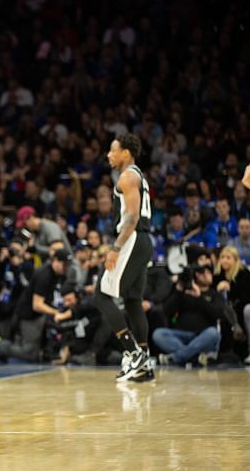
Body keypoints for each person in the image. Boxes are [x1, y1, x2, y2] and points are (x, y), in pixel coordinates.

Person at [94, 135, 155, 382]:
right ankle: (144, 363)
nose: (109, 154)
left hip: (132, 239)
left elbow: (131, 217)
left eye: (113, 150)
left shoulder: (127, 176)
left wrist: (115, 248)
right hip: (143, 241)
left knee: (101, 295)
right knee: (132, 301)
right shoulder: (138, 175)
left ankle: (133, 352)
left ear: (126, 153)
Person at [153, 264, 224, 366]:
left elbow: (217, 314)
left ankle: (176, 358)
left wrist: (199, 298)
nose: (207, 275)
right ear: (196, 275)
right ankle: (194, 357)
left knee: (213, 334)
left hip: (202, 336)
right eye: (203, 273)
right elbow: (167, 311)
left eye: (209, 273)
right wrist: (179, 289)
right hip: (180, 335)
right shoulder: (182, 292)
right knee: (158, 334)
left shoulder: (215, 294)